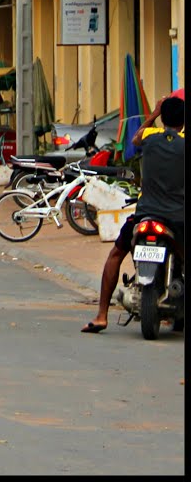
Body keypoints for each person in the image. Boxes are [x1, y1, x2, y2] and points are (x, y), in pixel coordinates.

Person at [82, 94, 184, 334]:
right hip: (178, 218)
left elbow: (135, 138)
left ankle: (101, 315)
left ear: (163, 117)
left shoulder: (149, 139)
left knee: (116, 254)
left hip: (145, 215)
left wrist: (154, 113)